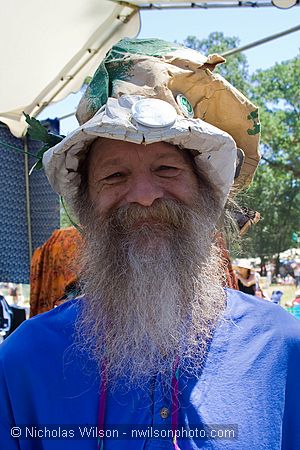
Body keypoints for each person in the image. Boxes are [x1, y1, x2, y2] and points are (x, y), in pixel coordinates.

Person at [1, 38, 300, 450]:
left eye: (166, 168)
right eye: (114, 176)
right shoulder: (23, 365)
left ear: (206, 192)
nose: (143, 194)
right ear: (85, 205)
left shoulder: (283, 351)